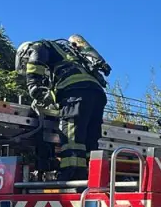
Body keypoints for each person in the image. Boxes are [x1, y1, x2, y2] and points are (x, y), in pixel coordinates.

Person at [16, 35, 110, 181]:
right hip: (97, 95)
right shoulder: (71, 58)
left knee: (72, 138)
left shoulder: (40, 46)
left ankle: (71, 174)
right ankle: (92, 175)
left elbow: (36, 56)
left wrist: (33, 84)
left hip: (76, 93)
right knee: (89, 140)